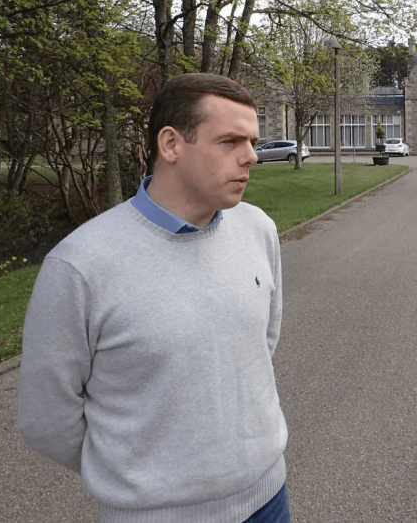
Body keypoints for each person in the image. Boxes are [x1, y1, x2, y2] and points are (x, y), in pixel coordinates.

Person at [17, 73, 290, 523]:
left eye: (252, 141)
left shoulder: (257, 228)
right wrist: (139, 477)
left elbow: (261, 343)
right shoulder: (80, 266)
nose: (252, 156)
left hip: (268, 498)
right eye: (230, 142)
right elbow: (47, 418)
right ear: (171, 144)